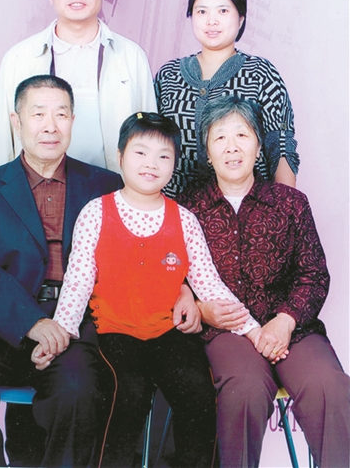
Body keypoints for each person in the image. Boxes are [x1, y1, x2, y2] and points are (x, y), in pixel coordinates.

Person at [32, 112, 260, 468]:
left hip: (169, 334)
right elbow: (76, 284)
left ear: (174, 164)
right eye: (140, 153)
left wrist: (254, 331)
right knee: (128, 392)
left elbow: (209, 284)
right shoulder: (96, 213)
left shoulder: (184, 220)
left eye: (163, 156)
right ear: (120, 156)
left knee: (198, 392)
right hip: (114, 334)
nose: (151, 164)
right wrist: (58, 337)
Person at [0, 75, 123, 467]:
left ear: (73, 121)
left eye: (61, 114)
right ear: (17, 122)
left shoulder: (105, 185)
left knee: (78, 390)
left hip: (72, 324)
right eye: (38, 113)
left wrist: (62, 325)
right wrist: (32, 322)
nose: (50, 126)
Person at [178, 95, 350, 468]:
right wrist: (201, 309)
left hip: (292, 329)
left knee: (330, 386)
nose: (232, 147)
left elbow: (313, 274)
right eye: (219, 137)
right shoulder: (188, 208)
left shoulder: (290, 203)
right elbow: (175, 275)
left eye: (242, 135)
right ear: (207, 152)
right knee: (244, 391)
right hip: (226, 330)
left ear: (258, 146)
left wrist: (285, 321)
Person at [0, 0, 156, 172]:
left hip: (114, 186)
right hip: (36, 187)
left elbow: (150, 136)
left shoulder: (131, 56)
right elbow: (2, 139)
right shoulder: (19, 58)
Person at [155, 0, 300, 197]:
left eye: (223, 11)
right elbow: (151, 143)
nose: (211, 21)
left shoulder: (261, 73)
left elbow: (281, 146)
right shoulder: (168, 75)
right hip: (176, 206)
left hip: (247, 208)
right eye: (201, 11)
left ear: (241, 18)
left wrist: (285, 208)